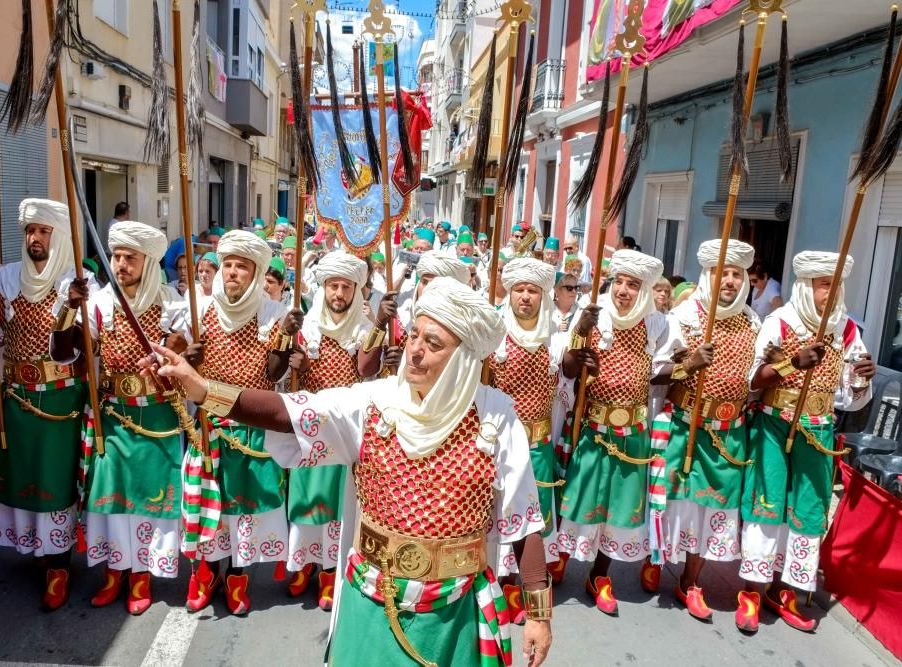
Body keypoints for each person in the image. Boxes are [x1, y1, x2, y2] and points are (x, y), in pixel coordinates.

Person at [144, 277, 553, 667]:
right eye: (414, 336)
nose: (414, 351)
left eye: (433, 343)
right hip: (373, 597)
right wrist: (202, 389)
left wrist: (538, 614)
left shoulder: (496, 416)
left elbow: (524, 519)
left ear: (463, 357)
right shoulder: (373, 402)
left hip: (456, 609)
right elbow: (291, 413)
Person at [54, 221, 190, 616]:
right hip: (113, 414)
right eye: (116, 256)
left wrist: (173, 349)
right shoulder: (100, 303)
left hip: (158, 416)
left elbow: (186, 354)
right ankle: (116, 572)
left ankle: (142, 576)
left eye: (131, 257)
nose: (121, 264)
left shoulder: (172, 303)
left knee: (149, 499)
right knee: (110, 498)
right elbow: (69, 353)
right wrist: (69, 309)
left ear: (148, 263)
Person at [737, 251, 873, 633]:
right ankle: (751, 590)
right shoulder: (780, 321)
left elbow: (852, 394)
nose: (829, 292)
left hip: (820, 427)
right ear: (806, 286)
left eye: (835, 285)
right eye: (823, 284)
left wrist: (862, 376)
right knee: (768, 502)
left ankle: (787, 592)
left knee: (809, 510)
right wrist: (792, 364)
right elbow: (753, 379)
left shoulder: (847, 329)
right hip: (775, 424)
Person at [0, 198, 93, 611]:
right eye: (29, 231)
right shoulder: (6, 279)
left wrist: (76, 306)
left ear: (57, 236)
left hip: (60, 401)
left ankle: (59, 564)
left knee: (54, 480)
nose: (34, 238)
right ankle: (39, 552)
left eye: (43, 231)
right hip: (16, 398)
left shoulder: (76, 282)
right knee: (22, 475)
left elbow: (81, 349)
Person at [180, 230, 300, 615]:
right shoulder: (198, 310)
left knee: (242, 508)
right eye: (228, 265)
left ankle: (237, 577)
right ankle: (206, 571)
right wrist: (189, 356)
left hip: (249, 426)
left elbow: (274, 372)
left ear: (256, 272)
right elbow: (178, 361)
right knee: (208, 504)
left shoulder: (272, 314)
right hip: (208, 425)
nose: (232, 273)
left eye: (242, 267)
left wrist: (285, 339)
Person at [643, 240, 760, 622]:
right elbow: (657, 370)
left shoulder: (753, 321)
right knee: (672, 503)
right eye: (722, 273)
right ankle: (656, 559)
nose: (729, 280)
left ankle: (691, 582)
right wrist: (689, 364)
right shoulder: (685, 316)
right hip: (684, 425)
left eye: (736, 274)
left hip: (729, 432)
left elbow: (755, 379)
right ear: (709, 276)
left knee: (714, 510)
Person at [559, 250, 673, 616]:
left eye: (633, 284)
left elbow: (664, 372)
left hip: (633, 431)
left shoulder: (656, 324)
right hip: (593, 426)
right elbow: (568, 368)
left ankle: (600, 575)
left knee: (620, 507)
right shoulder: (593, 315)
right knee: (579, 496)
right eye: (619, 282)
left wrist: (684, 368)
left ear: (644, 290)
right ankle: (560, 556)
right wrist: (580, 335)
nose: (623, 291)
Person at [285, 252, 394, 610]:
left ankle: (332, 572)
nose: (338, 293)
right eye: (333, 285)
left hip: (346, 425)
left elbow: (365, 369)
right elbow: (283, 370)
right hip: (310, 420)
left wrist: (378, 324)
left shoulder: (363, 328)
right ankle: (304, 565)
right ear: (324, 287)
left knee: (339, 501)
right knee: (307, 495)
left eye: (346, 286)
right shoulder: (306, 324)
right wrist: (293, 357)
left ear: (355, 291)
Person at [487, 258, 573, 619]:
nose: (525, 297)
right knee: (499, 512)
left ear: (543, 295)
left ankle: (525, 582)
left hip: (538, 442)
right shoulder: (494, 331)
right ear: (509, 292)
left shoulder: (556, 335)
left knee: (532, 516)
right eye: (519, 289)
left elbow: (566, 382)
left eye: (533, 290)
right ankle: (502, 584)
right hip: (499, 442)